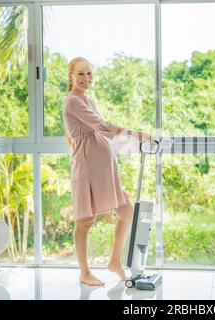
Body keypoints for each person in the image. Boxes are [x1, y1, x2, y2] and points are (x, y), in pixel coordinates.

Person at [62, 57, 152, 287]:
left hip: (104, 169)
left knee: (127, 211)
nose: (86, 78)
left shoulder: (88, 100)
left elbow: (101, 132)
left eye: (89, 74)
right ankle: (84, 272)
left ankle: (115, 261)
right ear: (71, 76)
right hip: (86, 168)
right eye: (81, 74)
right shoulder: (72, 101)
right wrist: (135, 133)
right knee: (85, 220)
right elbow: (102, 126)